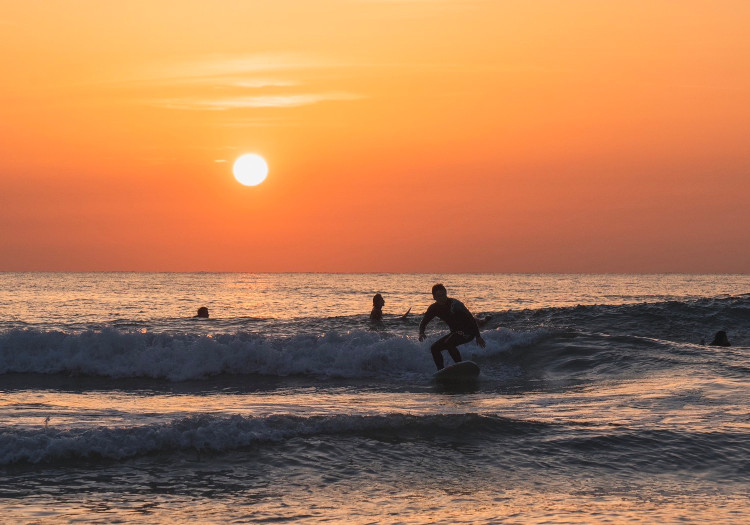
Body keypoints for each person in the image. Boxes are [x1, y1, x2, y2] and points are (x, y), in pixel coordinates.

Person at [418, 283, 486, 370]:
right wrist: (421, 333)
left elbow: (471, 319)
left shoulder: (455, 304)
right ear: (434, 297)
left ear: (446, 293)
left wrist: (478, 336)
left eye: (443, 295)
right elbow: (423, 322)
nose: (442, 298)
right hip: (455, 333)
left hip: (468, 332)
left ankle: (460, 367)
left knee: (449, 343)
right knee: (434, 348)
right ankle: (441, 371)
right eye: (439, 296)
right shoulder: (433, 308)